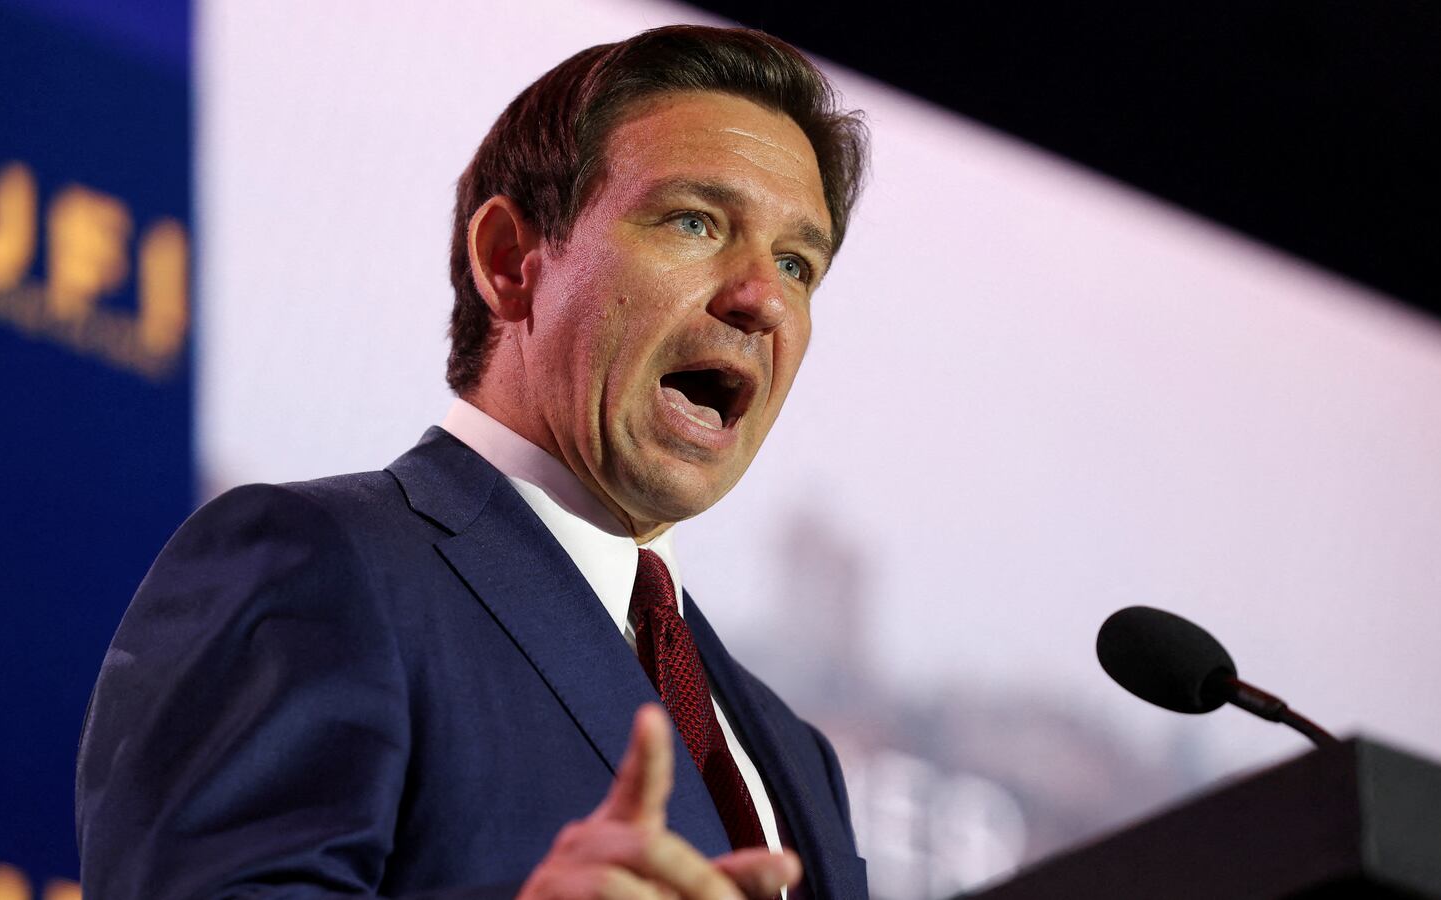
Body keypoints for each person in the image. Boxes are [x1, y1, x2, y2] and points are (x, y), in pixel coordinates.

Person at [76, 24, 869, 900]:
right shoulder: (316, 566)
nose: (762, 297)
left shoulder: (797, 757)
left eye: (798, 263)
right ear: (508, 262)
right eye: (695, 221)